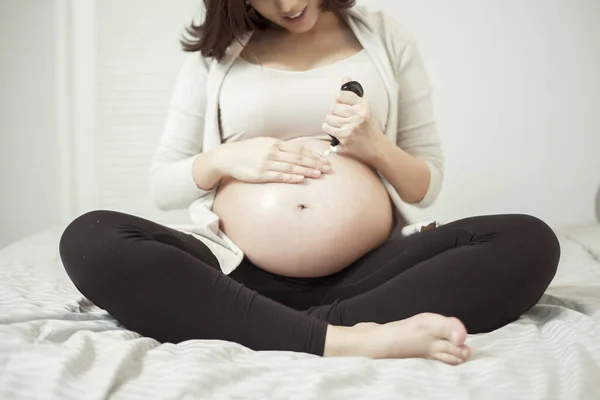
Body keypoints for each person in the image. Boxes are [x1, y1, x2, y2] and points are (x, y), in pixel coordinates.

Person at [59, 0, 561, 365]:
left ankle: (262, 321)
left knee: (528, 240)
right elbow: (163, 185)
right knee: (91, 238)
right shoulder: (215, 53)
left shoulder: (386, 37)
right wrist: (227, 158)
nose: (289, 3)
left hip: (372, 272)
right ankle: (350, 338)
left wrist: (374, 146)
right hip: (233, 268)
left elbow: (424, 186)